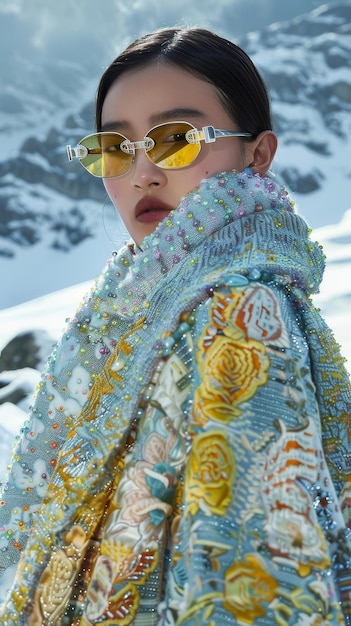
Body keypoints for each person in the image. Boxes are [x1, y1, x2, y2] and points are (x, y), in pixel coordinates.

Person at [0, 26, 351, 626]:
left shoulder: (239, 314)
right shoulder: (142, 306)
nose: (142, 174)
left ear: (258, 153)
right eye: (115, 147)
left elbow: (249, 582)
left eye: (177, 140)